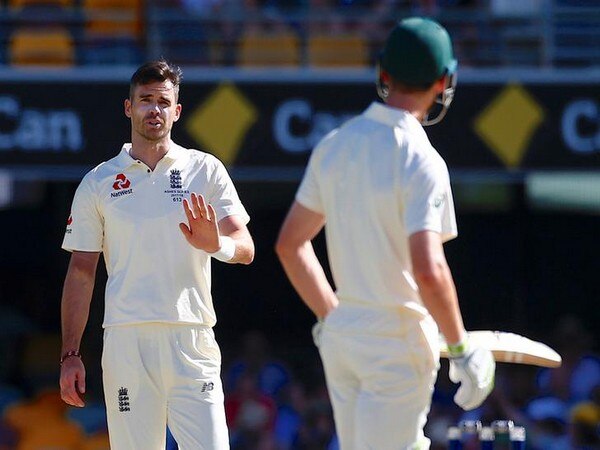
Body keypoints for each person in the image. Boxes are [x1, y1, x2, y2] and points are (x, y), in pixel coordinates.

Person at [275, 17, 495, 449]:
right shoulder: (421, 160)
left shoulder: (334, 144)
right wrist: (462, 348)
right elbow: (428, 269)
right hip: (396, 343)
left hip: (344, 335)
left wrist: (331, 315)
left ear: (383, 72)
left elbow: (290, 244)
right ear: (443, 80)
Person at [59, 60, 254, 450]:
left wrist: (214, 244)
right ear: (128, 108)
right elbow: (82, 271)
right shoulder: (98, 181)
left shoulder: (206, 169)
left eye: (163, 102)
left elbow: (245, 248)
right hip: (127, 342)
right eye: (145, 100)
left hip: (191, 335)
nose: (154, 110)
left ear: (177, 111)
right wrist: (70, 354)